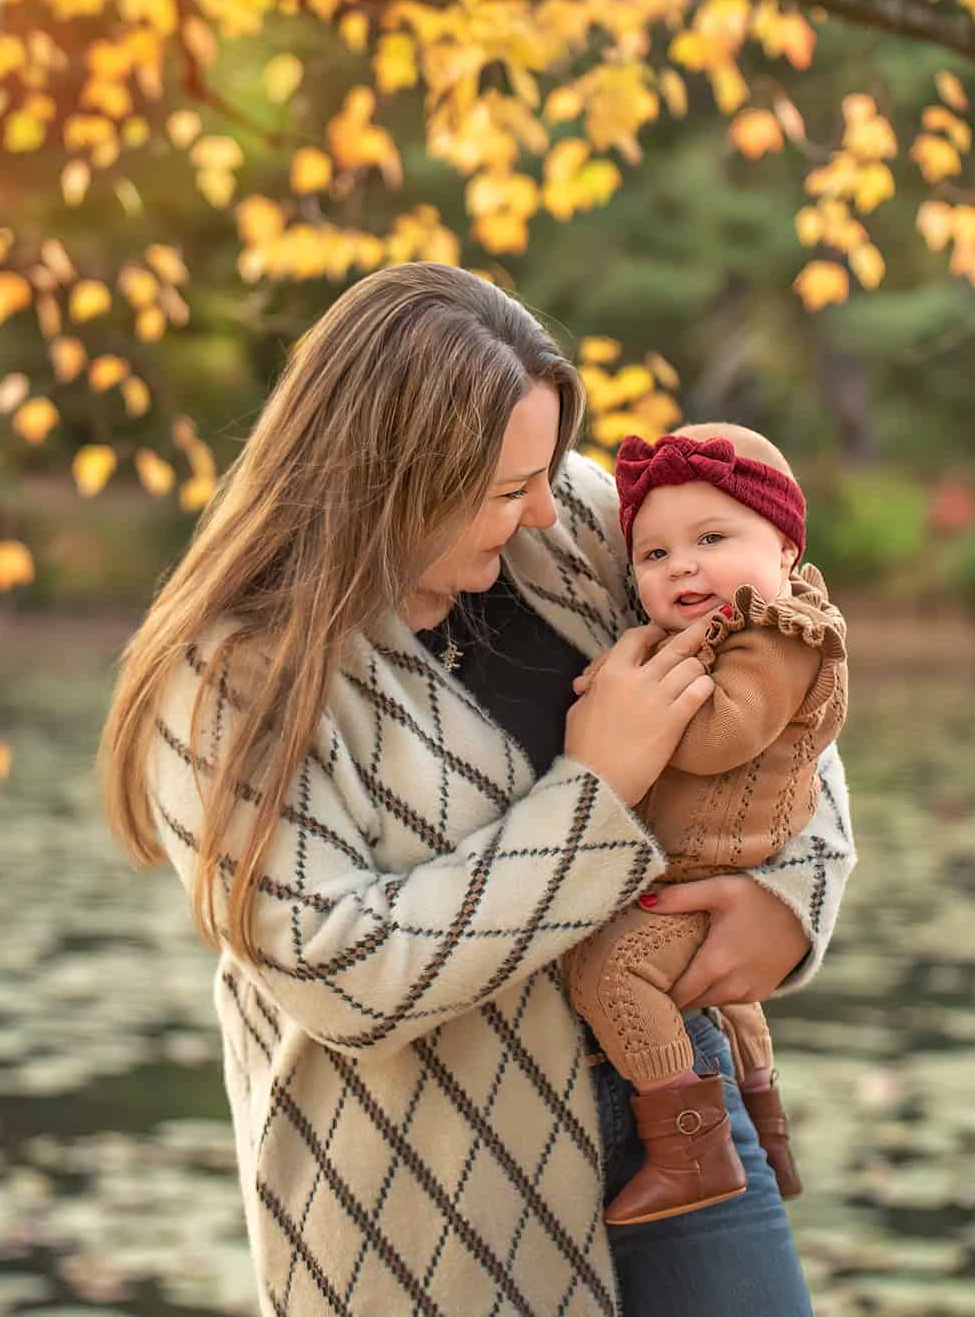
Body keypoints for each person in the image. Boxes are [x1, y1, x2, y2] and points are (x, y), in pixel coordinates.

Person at [97, 263, 854, 1317]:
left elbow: (781, 645)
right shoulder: (231, 682)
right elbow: (341, 972)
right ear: (390, 480)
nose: (548, 505)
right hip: (435, 1217)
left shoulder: (574, 524)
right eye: (505, 490)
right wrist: (598, 792)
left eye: (545, 470)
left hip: (686, 1128)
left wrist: (796, 889)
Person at [564, 424, 848, 1226]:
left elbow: (722, 735)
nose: (680, 565)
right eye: (652, 556)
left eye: (712, 538)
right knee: (731, 1002)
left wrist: (623, 708)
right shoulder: (723, 628)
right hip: (693, 860)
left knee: (611, 973)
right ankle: (765, 1123)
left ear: (786, 552)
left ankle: (690, 1150)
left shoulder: (779, 640)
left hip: (705, 868)